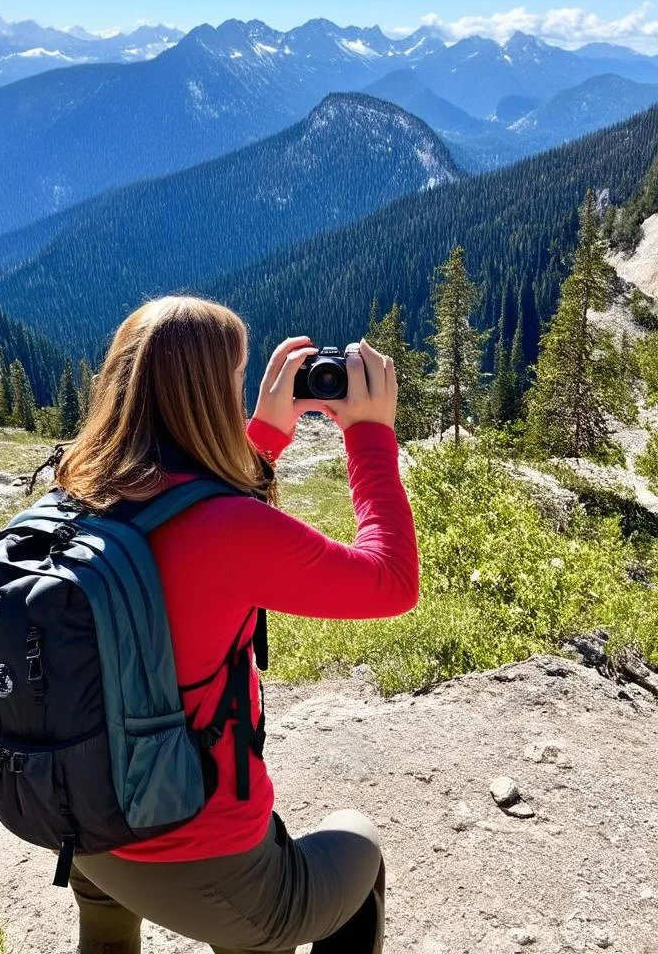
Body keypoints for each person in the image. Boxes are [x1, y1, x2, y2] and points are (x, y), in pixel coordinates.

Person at [54, 296, 419, 954]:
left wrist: (266, 438)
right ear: (206, 395)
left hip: (85, 827)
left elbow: (182, 517)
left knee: (107, 933)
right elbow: (392, 583)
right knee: (357, 843)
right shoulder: (230, 530)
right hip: (202, 860)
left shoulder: (73, 496)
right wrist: (369, 433)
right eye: (234, 376)